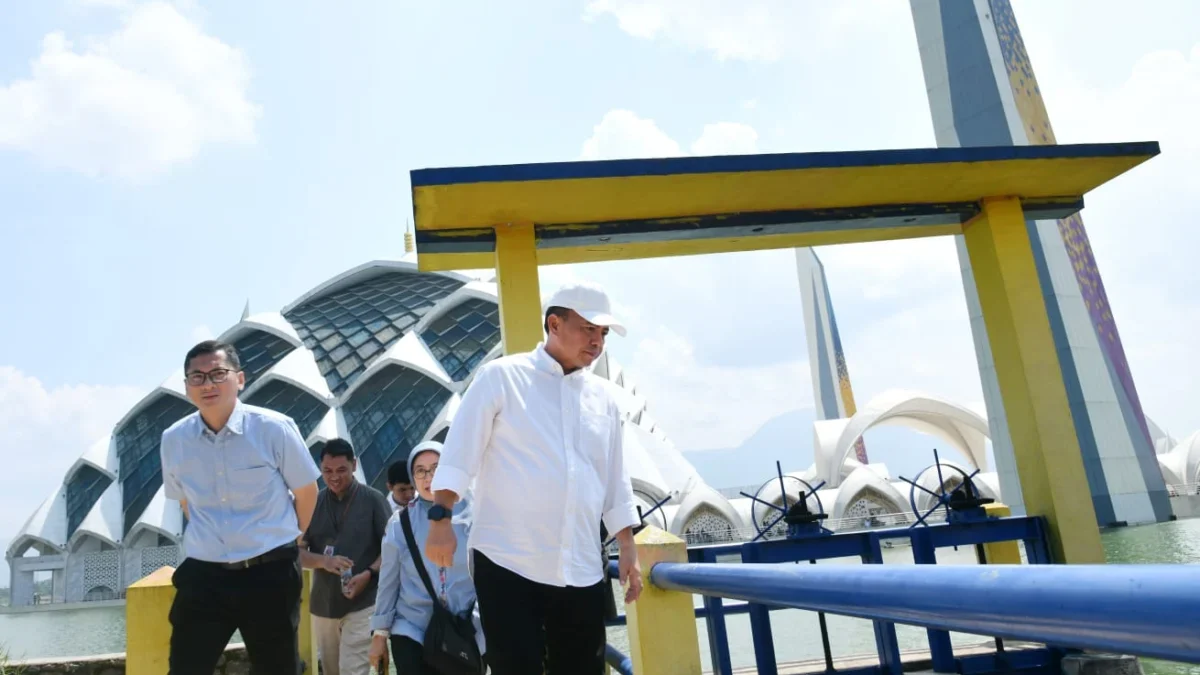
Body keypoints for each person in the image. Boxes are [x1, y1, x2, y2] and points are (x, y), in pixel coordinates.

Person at [425, 281, 643, 675]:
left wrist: (627, 546)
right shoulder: (500, 377)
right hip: (508, 562)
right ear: (554, 323)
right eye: (588, 329)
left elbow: (613, 477)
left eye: (604, 334)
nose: (597, 342)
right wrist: (441, 518)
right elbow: (460, 452)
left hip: (581, 566)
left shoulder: (605, 399)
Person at [160, 340, 321, 675]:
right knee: (185, 667)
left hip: (269, 574)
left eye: (218, 374)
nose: (208, 384)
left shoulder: (273, 428)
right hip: (204, 576)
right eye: (197, 377)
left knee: (277, 669)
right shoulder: (174, 440)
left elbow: (306, 492)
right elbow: (187, 503)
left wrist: (287, 540)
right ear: (187, 386)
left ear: (241, 379)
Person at [369, 441, 485, 674]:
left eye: (436, 468)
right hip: (412, 628)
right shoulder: (400, 523)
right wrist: (379, 634)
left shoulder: (477, 515)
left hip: (465, 628)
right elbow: (389, 581)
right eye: (420, 471)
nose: (428, 477)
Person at [298, 438, 392, 675]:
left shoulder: (373, 500)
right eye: (327, 471)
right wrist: (324, 562)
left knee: (352, 671)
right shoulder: (313, 502)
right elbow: (296, 553)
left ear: (355, 465)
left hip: (364, 603)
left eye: (342, 470)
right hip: (324, 605)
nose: (334, 477)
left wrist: (368, 574)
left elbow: (392, 550)